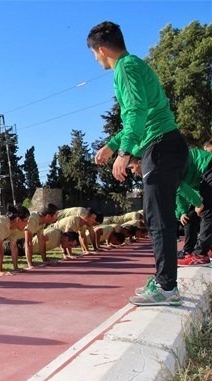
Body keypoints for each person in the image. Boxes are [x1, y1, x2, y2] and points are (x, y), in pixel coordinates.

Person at [88, 21, 189, 306]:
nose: (96, 60)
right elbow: (140, 114)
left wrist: (124, 152)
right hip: (165, 143)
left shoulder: (125, 68)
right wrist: (112, 144)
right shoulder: (134, 64)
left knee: (157, 219)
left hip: (159, 146)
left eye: (94, 54)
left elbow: (135, 111)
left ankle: (167, 288)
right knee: (159, 217)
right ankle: (165, 283)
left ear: (102, 49)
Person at [173, 148, 212, 266]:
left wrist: (198, 204)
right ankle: (199, 249)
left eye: (132, 168)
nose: (133, 172)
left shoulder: (161, 167)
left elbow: (179, 187)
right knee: (194, 214)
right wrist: (182, 212)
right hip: (204, 174)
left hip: (208, 166)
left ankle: (200, 254)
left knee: (207, 212)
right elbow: (180, 192)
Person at [23, 203, 59, 268]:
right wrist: (30, 264)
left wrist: (44, 260)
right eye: (55, 215)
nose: (57, 217)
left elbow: (41, 241)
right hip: (11, 242)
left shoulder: (42, 221)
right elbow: (28, 242)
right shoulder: (33, 219)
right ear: (48, 216)